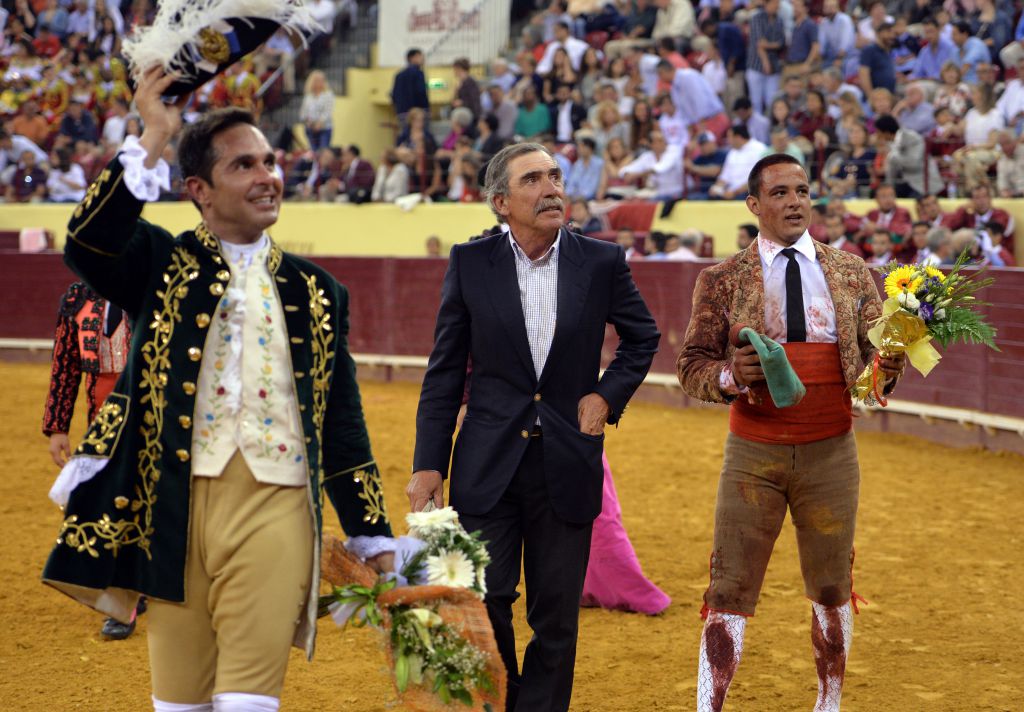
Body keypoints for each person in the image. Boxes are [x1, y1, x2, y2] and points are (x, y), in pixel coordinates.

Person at [41, 67, 392, 712]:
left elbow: (341, 421)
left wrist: (372, 533)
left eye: (271, 161)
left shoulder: (318, 291)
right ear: (199, 190)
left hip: (277, 507)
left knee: (246, 704)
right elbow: (88, 241)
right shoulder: (161, 263)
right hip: (172, 511)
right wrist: (154, 132)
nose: (268, 177)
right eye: (244, 166)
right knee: (179, 704)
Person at [406, 142, 660, 711]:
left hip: (565, 462)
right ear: (501, 202)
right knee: (487, 600)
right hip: (486, 461)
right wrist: (429, 463)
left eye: (555, 176)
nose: (552, 189)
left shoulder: (599, 262)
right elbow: (445, 372)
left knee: (555, 615)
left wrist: (605, 395)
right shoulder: (471, 263)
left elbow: (643, 337)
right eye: (533, 180)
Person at [677, 153, 905, 712]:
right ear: (754, 205)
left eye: (802, 190)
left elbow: (876, 374)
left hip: (832, 451)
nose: (795, 201)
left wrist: (896, 357)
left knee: (831, 586)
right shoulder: (722, 279)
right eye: (779, 193)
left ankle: (828, 705)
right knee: (728, 585)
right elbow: (691, 368)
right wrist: (731, 376)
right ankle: (709, 707)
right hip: (753, 451)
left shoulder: (853, 273)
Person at [42, 281, 140, 639]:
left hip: (152, 413)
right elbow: (64, 365)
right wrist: (57, 427)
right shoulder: (76, 298)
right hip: (102, 419)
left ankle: (142, 584)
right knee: (108, 505)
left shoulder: (150, 287)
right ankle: (120, 601)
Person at [391, 48, 430, 129]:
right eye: (420, 56)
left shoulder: (399, 75)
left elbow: (394, 95)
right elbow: (421, 92)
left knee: (407, 137)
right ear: (413, 58)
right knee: (419, 137)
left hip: (402, 113)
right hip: (417, 114)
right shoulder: (418, 73)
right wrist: (426, 110)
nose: (423, 59)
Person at [299, 70, 334, 151]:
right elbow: (303, 113)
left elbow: (327, 112)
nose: (320, 82)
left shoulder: (328, 95)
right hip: (310, 128)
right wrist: (308, 121)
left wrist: (319, 123)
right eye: (317, 80)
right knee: (313, 152)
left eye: (322, 80)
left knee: (323, 151)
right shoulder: (308, 96)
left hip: (324, 128)